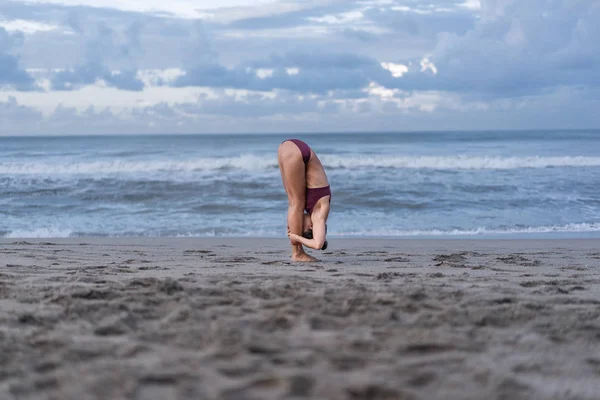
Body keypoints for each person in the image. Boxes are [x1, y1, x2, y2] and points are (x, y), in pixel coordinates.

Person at [278, 138, 331, 262]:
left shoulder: (313, 210)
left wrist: (293, 232)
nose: (300, 223)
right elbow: (318, 244)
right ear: (311, 227)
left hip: (287, 147)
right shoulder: (319, 216)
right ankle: (298, 253)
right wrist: (296, 237)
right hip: (297, 152)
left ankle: (297, 253)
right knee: (296, 204)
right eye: (303, 227)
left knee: (294, 203)